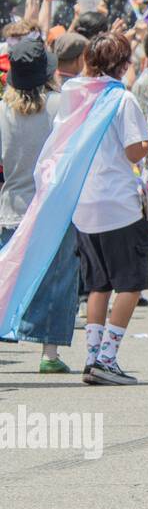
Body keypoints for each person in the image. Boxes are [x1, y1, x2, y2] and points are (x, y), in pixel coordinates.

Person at [68, 33, 148, 384]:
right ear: (124, 64)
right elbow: (135, 151)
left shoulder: (75, 95)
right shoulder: (121, 99)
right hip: (118, 204)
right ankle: (108, 358)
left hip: (84, 204)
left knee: (98, 284)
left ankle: (92, 356)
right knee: (131, 282)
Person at [0, 39, 78, 373]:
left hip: (10, 205)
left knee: (7, 279)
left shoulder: (3, 109)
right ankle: (49, 353)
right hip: (51, 209)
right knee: (56, 280)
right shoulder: (61, 105)